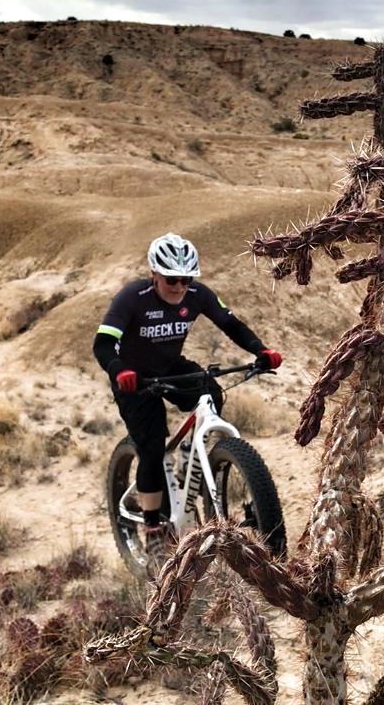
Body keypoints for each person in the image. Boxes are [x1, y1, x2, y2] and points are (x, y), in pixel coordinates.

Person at [92, 233, 282, 569]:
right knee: (150, 446)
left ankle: (192, 457)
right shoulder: (133, 297)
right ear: (155, 274)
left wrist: (261, 351)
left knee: (212, 392)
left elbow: (231, 324)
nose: (179, 286)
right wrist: (119, 369)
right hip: (134, 379)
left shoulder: (197, 295)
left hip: (171, 368)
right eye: (172, 279)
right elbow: (104, 343)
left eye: (186, 278)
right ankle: (152, 526)